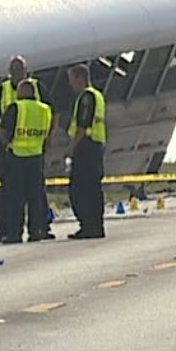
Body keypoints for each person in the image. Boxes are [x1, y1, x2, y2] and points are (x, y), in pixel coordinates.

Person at [0, 80, 53, 243]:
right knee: (35, 197)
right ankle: (35, 230)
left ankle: (15, 233)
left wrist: (6, 142)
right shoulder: (45, 109)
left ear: (22, 92)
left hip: (17, 156)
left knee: (16, 198)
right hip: (36, 156)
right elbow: (47, 132)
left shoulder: (16, 107)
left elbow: (3, 130)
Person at [65, 63, 107, 239]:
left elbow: (83, 125)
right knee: (93, 188)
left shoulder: (87, 97)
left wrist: (70, 148)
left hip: (86, 147)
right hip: (95, 145)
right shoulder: (97, 95)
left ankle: (89, 225)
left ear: (80, 78)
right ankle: (94, 226)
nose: (71, 84)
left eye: (72, 79)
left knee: (80, 189)